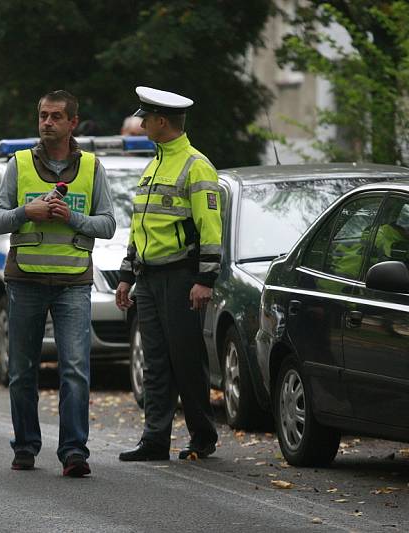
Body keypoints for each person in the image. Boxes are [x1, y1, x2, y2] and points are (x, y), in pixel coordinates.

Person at [0, 90, 116, 477]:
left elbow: (108, 225)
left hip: (73, 284)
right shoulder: (19, 163)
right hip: (25, 280)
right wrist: (28, 211)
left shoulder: (93, 168)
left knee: (75, 369)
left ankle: (74, 451)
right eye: (43, 115)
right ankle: (25, 446)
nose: (47, 122)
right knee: (22, 369)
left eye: (56, 116)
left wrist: (71, 219)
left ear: (72, 123)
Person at [115, 86, 222, 462]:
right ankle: (155, 439)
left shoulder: (196, 165)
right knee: (155, 361)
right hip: (148, 278)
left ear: (161, 121)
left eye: (145, 118)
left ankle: (202, 436)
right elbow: (139, 228)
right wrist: (127, 275)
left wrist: (205, 280)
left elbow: (211, 228)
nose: (141, 123)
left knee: (186, 360)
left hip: (181, 277)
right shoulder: (155, 163)